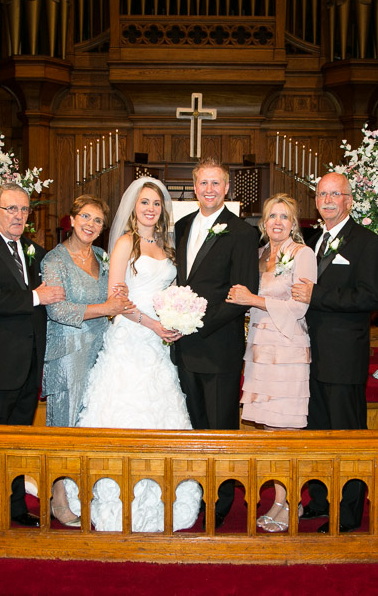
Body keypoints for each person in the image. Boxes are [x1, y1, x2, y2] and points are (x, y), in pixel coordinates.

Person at [72, 178, 202, 532]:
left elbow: (171, 291)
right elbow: (116, 299)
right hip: (130, 339)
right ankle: (117, 501)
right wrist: (153, 324)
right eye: (145, 202)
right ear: (134, 206)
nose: (150, 209)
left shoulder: (166, 245)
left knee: (161, 411)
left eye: (156, 204)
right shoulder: (126, 243)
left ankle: (162, 500)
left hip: (159, 345)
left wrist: (177, 318)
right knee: (126, 411)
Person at [0, 182, 65, 528]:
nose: (19, 216)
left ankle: (14, 505)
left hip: (29, 363)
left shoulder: (36, 251)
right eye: (11, 209)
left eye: (24, 209)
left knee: (18, 440)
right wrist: (36, 297)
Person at [291, 172, 378, 534]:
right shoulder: (311, 240)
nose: (328, 200)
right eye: (322, 195)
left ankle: (348, 514)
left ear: (349, 200)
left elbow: (372, 297)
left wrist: (317, 295)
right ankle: (319, 500)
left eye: (335, 194)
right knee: (315, 432)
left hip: (343, 357)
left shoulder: (366, 242)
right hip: (308, 354)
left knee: (347, 435)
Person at [171, 157, 259, 528]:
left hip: (218, 345)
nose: (209, 189)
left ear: (226, 188)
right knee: (195, 426)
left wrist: (195, 324)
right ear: (194, 187)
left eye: (216, 183)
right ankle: (197, 492)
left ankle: (221, 500)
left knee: (221, 427)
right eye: (203, 183)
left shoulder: (242, 232)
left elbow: (242, 294)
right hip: (183, 346)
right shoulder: (181, 226)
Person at [226, 194, 316, 533]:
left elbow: (299, 308)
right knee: (270, 430)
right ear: (263, 223)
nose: (277, 222)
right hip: (260, 350)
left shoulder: (302, 255)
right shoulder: (259, 254)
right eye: (271, 216)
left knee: (287, 431)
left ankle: (289, 502)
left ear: (293, 223)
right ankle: (281, 499)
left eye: (284, 216)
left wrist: (253, 299)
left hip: (288, 350)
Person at [41, 195, 132, 526]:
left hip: (100, 348)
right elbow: (58, 310)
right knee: (63, 425)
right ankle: (58, 497)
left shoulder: (102, 256)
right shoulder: (55, 260)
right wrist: (106, 309)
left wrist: (120, 298)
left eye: (97, 220)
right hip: (68, 351)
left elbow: (113, 294)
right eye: (85, 217)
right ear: (72, 219)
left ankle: (83, 491)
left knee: (90, 421)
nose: (90, 224)